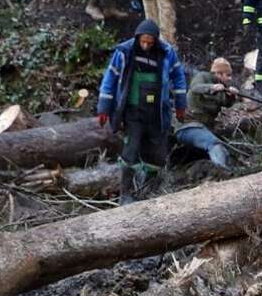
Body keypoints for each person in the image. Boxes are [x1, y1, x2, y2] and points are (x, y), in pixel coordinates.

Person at [96, 18, 190, 203]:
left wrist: (181, 105)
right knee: (131, 148)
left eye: (150, 42)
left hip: (156, 112)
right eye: (143, 41)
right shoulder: (124, 52)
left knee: (157, 152)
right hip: (132, 112)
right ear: (138, 38)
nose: (146, 45)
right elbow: (110, 78)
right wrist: (104, 107)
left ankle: (149, 189)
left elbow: (178, 79)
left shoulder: (167, 53)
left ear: (155, 40)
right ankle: (125, 193)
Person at [174, 56, 238, 170]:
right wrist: (212, 87)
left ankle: (230, 170)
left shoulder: (222, 87)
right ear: (218, 73)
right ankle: (222, 172)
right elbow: (195, 88)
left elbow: (226, 103)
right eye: (227, 75)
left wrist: (231, 96)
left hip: (203, 128)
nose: (229, 78)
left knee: (226, 149)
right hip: (188, 127)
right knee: (215, 145)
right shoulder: (203, 76)